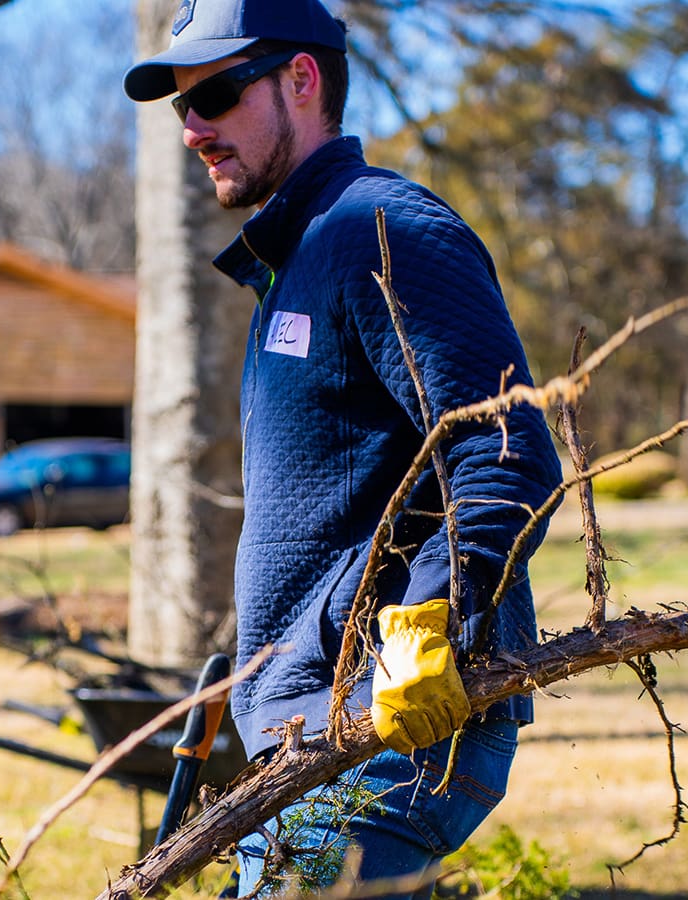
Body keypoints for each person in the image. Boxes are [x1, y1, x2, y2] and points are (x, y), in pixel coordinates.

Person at [124, 1, 563, 896]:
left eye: (216, 94)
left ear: (301, 78)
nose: (194, 129)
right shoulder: (301, 259)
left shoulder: (382, 230)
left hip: (389, 717)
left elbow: (505, 451)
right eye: (181, 106)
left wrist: (430, 618)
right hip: (317, 724)